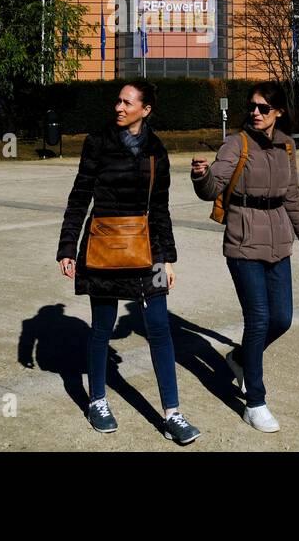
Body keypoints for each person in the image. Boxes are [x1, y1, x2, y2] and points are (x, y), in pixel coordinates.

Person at [56, 81, 201, 445]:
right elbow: (79, 197)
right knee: (102, 327)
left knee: (159, 327)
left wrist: (167, 258)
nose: (119, 107)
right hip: (103, 247)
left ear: (145, 109)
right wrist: (68, 247)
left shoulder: (156, 150)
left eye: (127, 102)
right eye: (117, 101)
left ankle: (172, 413)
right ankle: (98, 401)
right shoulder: (98, 142)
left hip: (146, 248)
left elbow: (161, 209)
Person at [191, 81, 299, 433]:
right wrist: (201, 177)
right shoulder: (237, 143)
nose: (255, 112)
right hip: (243, 240)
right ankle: (255, 402)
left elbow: (293, 198)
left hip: (279, 241)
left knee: (282, 318)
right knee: (260, 318)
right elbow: (213, 186)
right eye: (252, 105)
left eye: (264, 108)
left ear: (278, 112)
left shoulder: (288, 146)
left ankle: (238, 358)